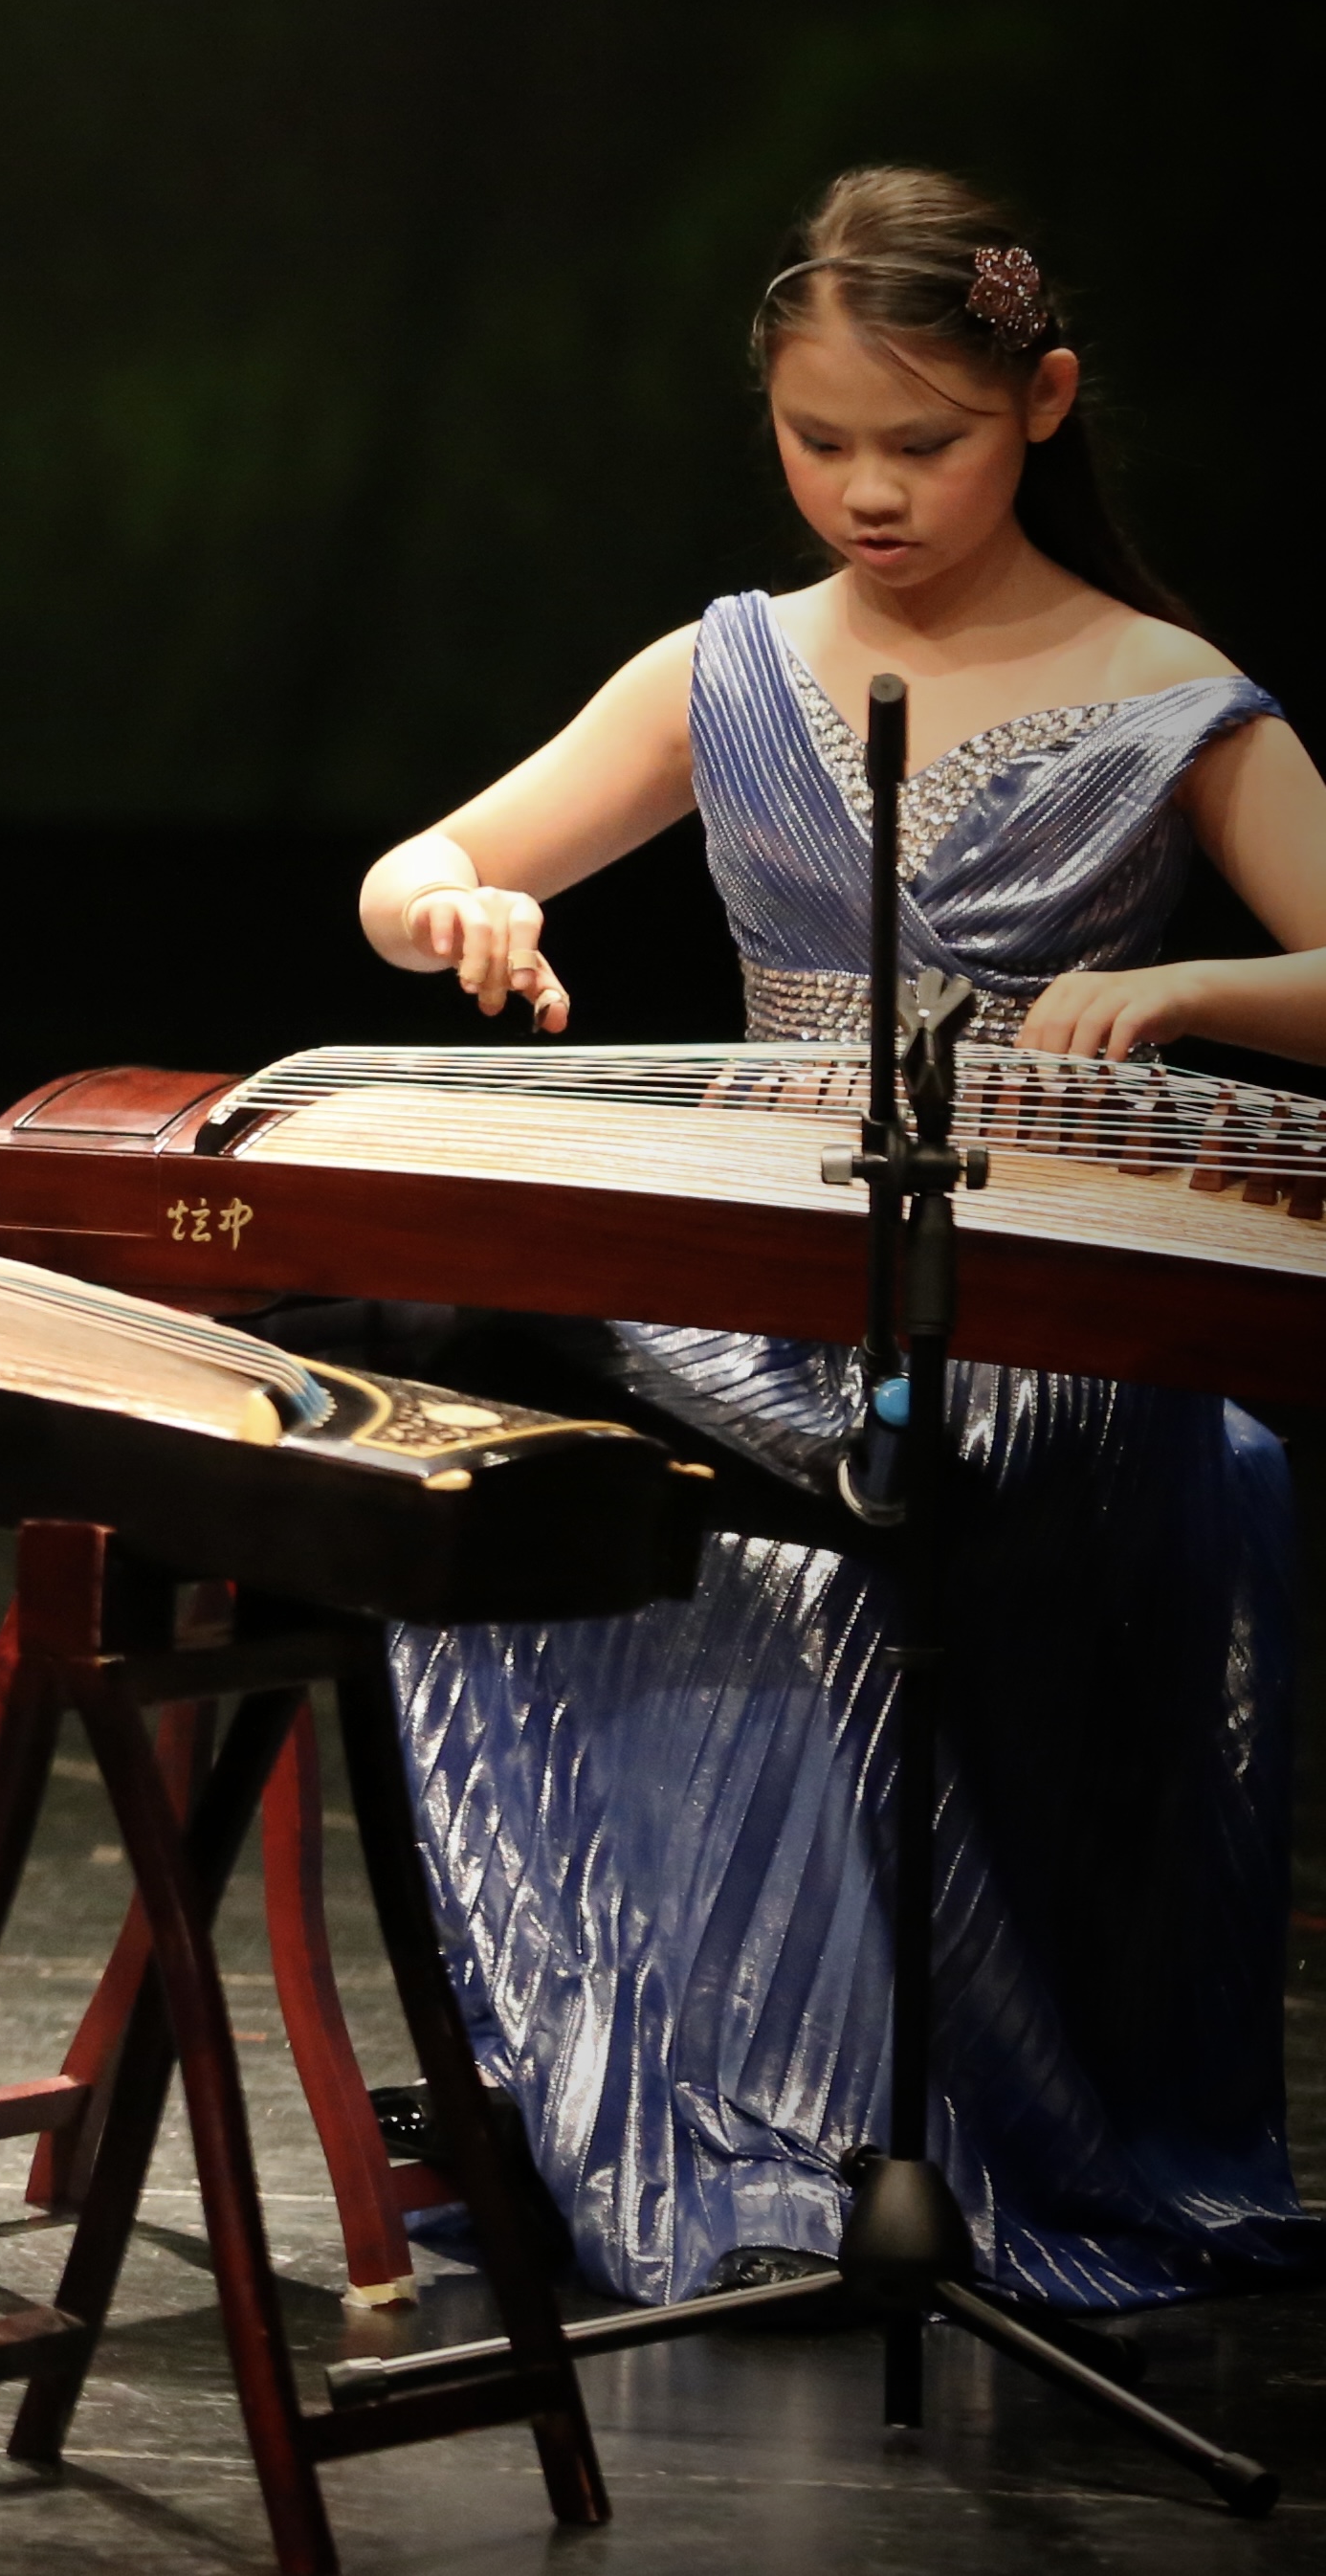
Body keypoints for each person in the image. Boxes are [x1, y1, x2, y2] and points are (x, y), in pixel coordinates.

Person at [350, 166, 1321, 2307]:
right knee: (552, 1488)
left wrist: (1193, 994)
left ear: (1044, 403)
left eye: (927, 443)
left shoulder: (1170, 694)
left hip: (1052, 1304)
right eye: (820, 444)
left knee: (857, 1524)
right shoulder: (731, 674)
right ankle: (728, 2114)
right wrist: (458, 904)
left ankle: (895, 2127)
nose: (867, 494)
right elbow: (425, 860)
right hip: (768, 1274)